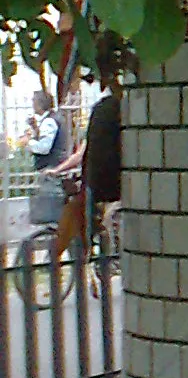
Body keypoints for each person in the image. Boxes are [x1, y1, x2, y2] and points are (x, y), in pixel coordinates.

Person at [50, 80, 121, 267]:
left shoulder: (102, 110)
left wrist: (59, 170)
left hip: (97, 183)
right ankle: (104, 260)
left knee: (86, 214)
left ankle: (99, 259)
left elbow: (83, 154)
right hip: (112, 182)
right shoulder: (118, 110)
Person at [25, 88, 67, 170]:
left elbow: (44, 147)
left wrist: (28, 142)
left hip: (50, 169)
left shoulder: (49, 121)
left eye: (34, 101)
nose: (32, 105)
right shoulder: (53, 118)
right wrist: (35, 128)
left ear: (40, 104)